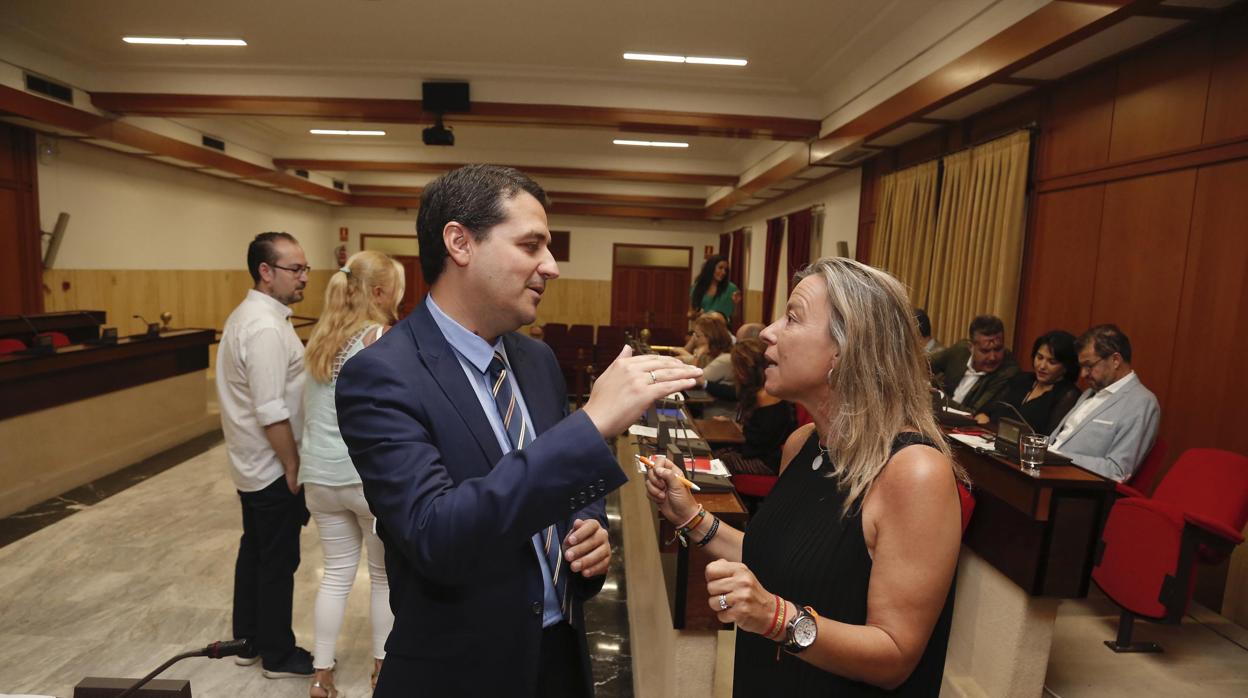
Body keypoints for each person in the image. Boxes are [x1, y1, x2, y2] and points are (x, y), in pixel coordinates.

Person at [335, 164, 702, 697]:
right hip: (459, 675)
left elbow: (564, 483)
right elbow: (436, 535)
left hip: (558, 657)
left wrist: (588, 530)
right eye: (531, 245)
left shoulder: (536, 360)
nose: (551, 266)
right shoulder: (381, 375)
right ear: (460, 243)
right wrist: (590, 424)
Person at [646, 257, 963, 696]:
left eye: (792, 318)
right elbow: (777, 558)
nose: (768, 332)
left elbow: (894, 656)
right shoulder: (801, 444)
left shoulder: (915, 472)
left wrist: (775, 618)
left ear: (845, 349)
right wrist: (691, 518)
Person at [297, 251, 404, 698]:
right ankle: (381, 671)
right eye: (395, 289)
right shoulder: (379, 337)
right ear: (378, 292)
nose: (399, 298)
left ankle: (321, 675)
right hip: (364, 477)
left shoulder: (319, 338)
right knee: (382, 577)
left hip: (319, 475)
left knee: (336, 574)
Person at [216, 231, 314, 679]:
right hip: (272, 465)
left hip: (252, 462)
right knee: (277, 560)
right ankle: (277, 654)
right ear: (265, 271)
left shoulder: (252, 316)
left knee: (255, 551)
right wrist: (292, 465)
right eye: (295, 269)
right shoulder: (265, 327)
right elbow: (271, 408)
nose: (304, 277)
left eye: (305, 268)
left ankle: (248, 640)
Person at [1049, 324, 1160, 482]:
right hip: (1047, 471)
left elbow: (1117, 470)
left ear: (1115, 360)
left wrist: (1059, 457)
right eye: (1081, 367)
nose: (1083, 374)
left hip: (1074, 485)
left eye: (1089, 366)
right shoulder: (1090, 392)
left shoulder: (1142, 402)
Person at [973, 330, 1081, 435]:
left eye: (1052, 362)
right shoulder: (1021, 379)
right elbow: (984, 411)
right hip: (985, 439)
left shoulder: (1068, 395)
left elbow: (1048, 438)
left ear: (1066, 366)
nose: (1042, 366)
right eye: (1039, 357)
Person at [715, 338, 796, 477]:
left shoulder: (766, 394)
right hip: (761, 453)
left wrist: (732, 429)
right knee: (718, 452)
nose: (735, 373)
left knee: (720, 459)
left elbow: (759, 442)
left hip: (766, 461)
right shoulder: (761, 389)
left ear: (749, 368)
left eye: (738, 368)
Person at [929, 314, 1019, 414]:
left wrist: (937, 397)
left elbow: (973, 413)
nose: (992, 357)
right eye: (985, 351)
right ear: (971, 347)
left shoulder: (1007, 372)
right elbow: (924, 364)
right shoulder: (960, 350)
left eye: (998, 349)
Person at [672, 314, 737, 417]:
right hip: (704, 410)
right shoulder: (711, 355)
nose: (695, 340)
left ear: (710, 337)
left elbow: (693, 380)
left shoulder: (725, 359)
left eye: (698, 336)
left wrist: (697, 355)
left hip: (717, 416)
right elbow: (682, 360)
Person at [689, 254, 742, 322]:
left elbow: (735, 316)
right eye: (720, 268)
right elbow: (690, 313)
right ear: (711, 268)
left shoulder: (731, 289)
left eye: (725, 270)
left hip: (723, 327)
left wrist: (736, 304)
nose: (723, 272)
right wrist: (695, 314)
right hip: (702, 326)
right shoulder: (697, 288)